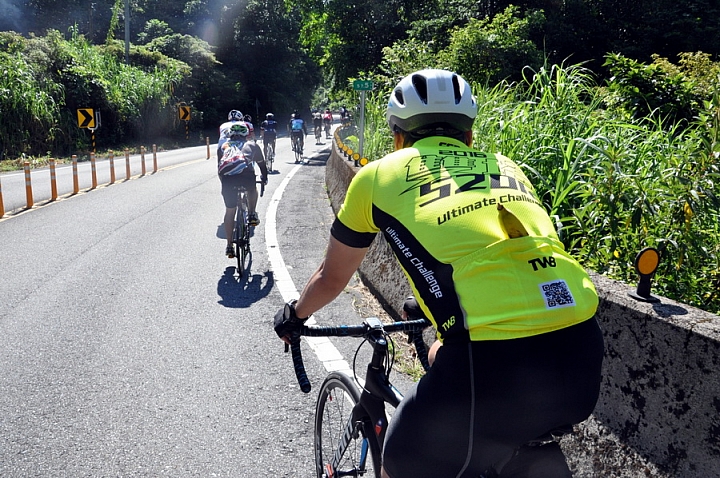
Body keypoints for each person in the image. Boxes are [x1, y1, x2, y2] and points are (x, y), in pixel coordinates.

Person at [274, 69, 604, 478]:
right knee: (439, 355)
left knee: (399, 460)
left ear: (396, 137)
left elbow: (331, 278)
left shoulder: (377, 175)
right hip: (581, 354)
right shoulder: (507, 166)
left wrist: (295, 316)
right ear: (468, 136)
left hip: (490, 362)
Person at [217, 122, 268, 258]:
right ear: (247, 134)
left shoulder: (223, 146)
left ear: (230, 135)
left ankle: (229, 246)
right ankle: (251, 213)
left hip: (228, 181)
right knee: (252, 189)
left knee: (230, 212)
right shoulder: (252, 145)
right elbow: (262, 165)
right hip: (246, 177)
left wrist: (224, 185)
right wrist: (264, 177)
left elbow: (220, 169)